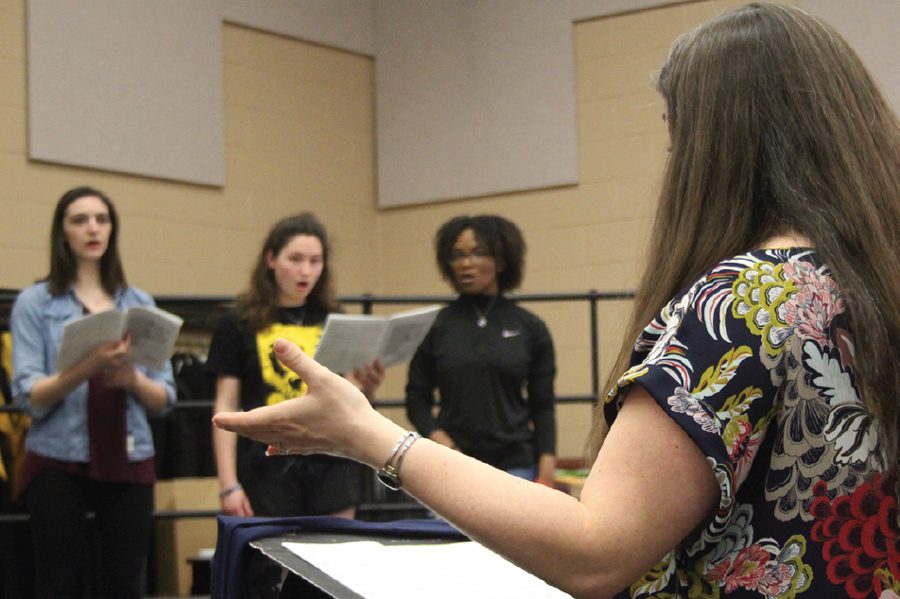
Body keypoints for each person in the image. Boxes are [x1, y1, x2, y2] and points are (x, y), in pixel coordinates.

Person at [214, 4, 900, 597]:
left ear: (717, 142)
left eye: (676, 130)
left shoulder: (748, 297)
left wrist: (369, 436)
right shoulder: (866, 280)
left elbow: (596, 548)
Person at [11, 186, 176, 599]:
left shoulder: (139, 302)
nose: (92, 228)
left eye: (102, 219)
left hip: (130, 454)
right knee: (59, 580)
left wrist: (134, 380)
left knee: (125, 582)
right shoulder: (35, 303)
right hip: (57, 457)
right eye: (79, 220)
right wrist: (87, 368)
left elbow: (166, 398)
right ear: (61, 232)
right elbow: (28, 395)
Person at [208, 212, 384, 518]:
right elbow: (226, 403)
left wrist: (366, 386)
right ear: (271, 259)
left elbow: (345, 397)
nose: (306, 271)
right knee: (270, 561)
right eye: (296, 259)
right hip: (267, 463)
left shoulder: (334, 318)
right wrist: (228, 484)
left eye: (316, 261)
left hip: (331, 460)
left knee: (334, 558)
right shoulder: (238, 322)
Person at [406, 215, 557, 484]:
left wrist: (546, 472)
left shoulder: (530, 326)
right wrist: (445, 445)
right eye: (457, 255)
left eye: (477, 253)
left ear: (500, 261)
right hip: (452, 465)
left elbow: (543, 405)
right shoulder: (436, 326)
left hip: (516, 465)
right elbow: (416, 400)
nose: (466, 264)